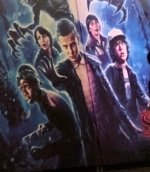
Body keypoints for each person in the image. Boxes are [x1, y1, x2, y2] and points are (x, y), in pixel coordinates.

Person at [54, 18, 136, 162]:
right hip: (90, 129)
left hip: (110, 123)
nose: (70, 51)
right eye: (65, 47)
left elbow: (111, 97)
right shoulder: (62, 70)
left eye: (72, 44)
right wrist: (53, 78)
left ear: (77, 38)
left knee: (127, 156)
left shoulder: (93, 63)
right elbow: (61, 84)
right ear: (60, 46)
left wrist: (128, 124)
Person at [17, 64, 85, 168]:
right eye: (21, 88)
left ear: (36, 84)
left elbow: (70, 136)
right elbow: (62, 121)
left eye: (27, 86)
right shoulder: (44, 98)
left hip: (73, 150)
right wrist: (49, 125)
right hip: (71, 146)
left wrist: (44, 152)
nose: (24, 92)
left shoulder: (48, 103)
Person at [104, 30, 150, 125]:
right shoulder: (109, 71)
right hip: (118, 122)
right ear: (112, 50)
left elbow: (142, 96)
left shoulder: (131, 73)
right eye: (116, 45)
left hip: (134, 119)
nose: (121, 48)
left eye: (122, 43)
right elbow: (106, 98)